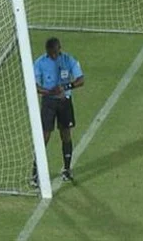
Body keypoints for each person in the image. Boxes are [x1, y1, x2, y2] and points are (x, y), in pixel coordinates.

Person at [31, 37, 84, 186]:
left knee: (66, 134)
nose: (53, 55)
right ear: (47, 51)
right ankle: (35, 173)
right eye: (50, 53)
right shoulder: (40, 63)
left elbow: (81, 79)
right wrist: (49, 92)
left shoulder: (68, 60)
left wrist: (65, 88)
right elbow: (34, 85)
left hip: (65, 102)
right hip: (49, 103)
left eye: (55, 52)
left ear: (59, 49)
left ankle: (67, 169)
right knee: (45, 136)